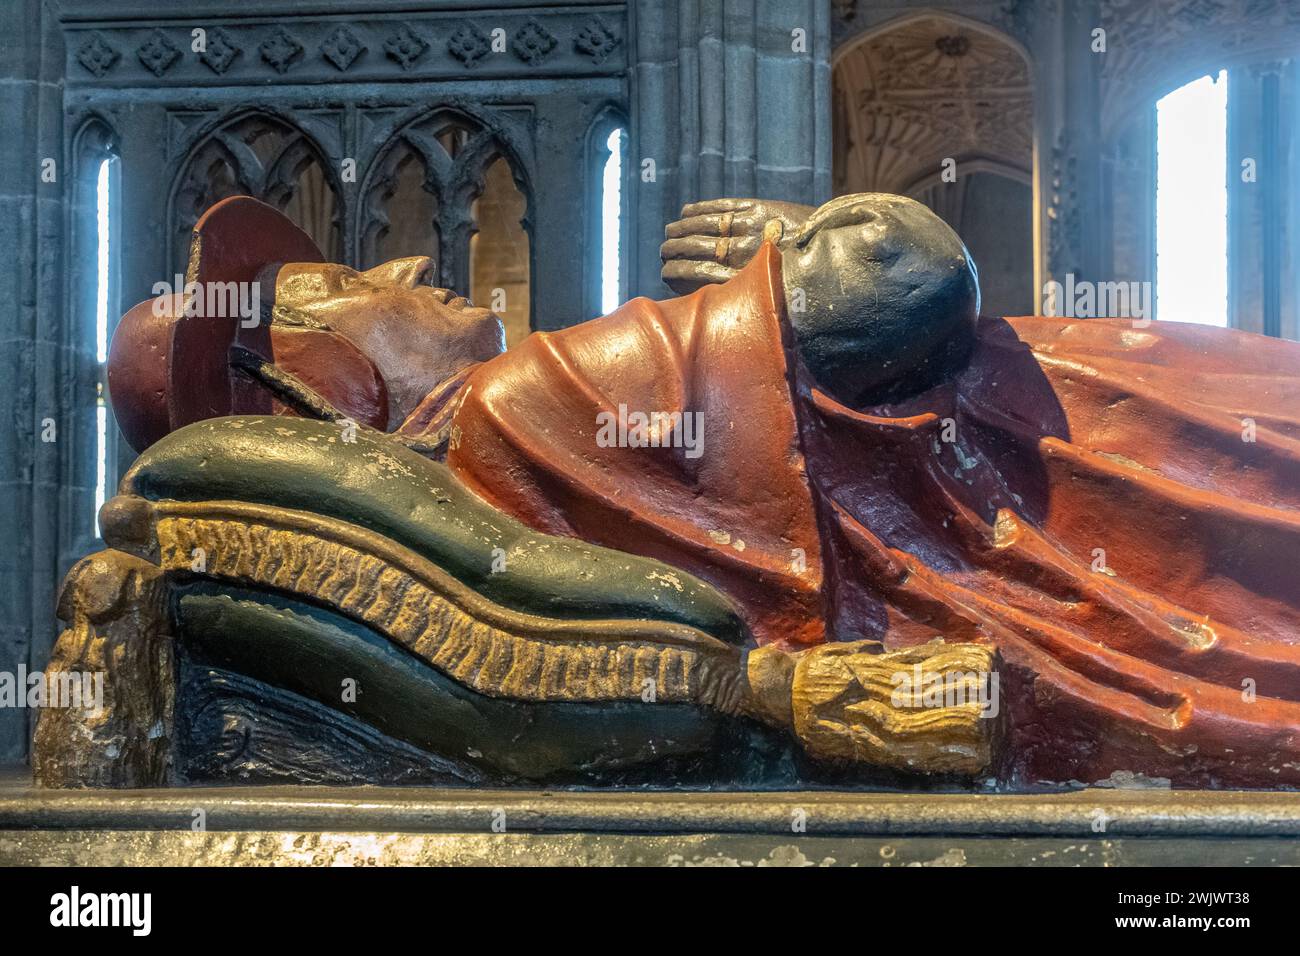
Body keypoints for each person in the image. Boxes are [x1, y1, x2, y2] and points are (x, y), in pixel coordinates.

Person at [110, 193, 1300, 787]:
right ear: (325, 374)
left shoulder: (516, 427)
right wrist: (815, 232)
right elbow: (914, 278)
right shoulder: (520, 401)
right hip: (1105, 469)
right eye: (365, 281)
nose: (416, 267)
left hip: (1065, 490)